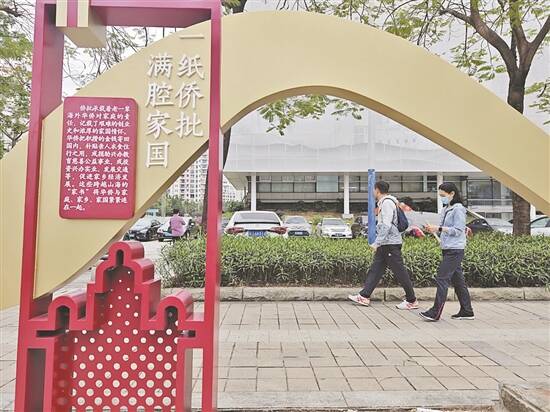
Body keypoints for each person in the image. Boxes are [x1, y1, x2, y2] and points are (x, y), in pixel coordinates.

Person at [348, 180, 419, 310]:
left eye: (373, 189)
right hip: (386, 243)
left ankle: (412, 300)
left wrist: (377, 243)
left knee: (400, 272)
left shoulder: (386, 203)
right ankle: (364, 296)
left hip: (390, 243)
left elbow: (386, 225)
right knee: (375, 270)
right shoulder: (387, 202)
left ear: (377, 190)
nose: (372, 192)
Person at [420, 182, 474, 321]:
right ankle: (467, 311)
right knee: (458, 281)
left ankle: (435, 312)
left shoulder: (458, 209)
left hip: (455, 249)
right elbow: (445, 228)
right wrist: (433, 229)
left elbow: (458, 230)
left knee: (442, 278)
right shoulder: (446, 209)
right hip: (447, 248)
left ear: (452, 194)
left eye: (443, 195)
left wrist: (438, 228)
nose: (441, 198)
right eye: (440, 195)